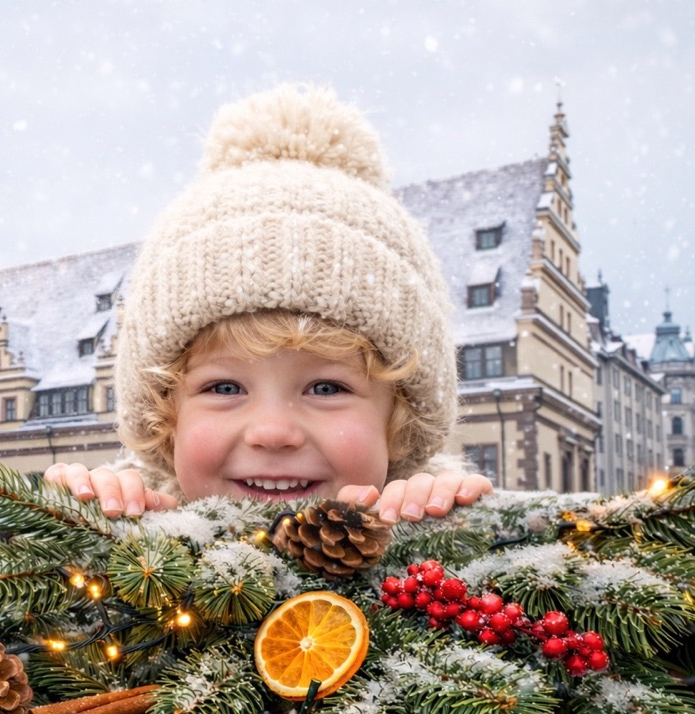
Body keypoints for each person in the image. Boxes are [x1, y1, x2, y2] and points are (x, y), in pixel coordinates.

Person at [46, 84, 491, 521]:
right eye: (224, 388)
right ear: (162, 423)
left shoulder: (435, 551)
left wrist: (442, 520)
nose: (272, 433)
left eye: (326, 388)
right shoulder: (126, 540)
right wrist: (82, 526)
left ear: (403, 423)